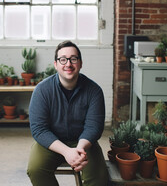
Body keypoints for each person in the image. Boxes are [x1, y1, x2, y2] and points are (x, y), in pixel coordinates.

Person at [27, 40, 108, 186]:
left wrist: (79, 149)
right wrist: (66, 151)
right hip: (52, 142)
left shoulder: (94, 91)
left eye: (73, 59)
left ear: (80, 63)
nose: (68, 64)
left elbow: (94, 127)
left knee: (99, 176)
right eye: (63, 59)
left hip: (84, 143)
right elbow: (39, 129)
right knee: (35, 169)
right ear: (56, 64)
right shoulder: (42, 90)